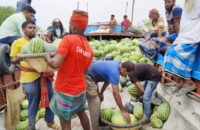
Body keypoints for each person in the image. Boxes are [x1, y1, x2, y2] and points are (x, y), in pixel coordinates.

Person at [44, 10, 93, 130]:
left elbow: (55, 64)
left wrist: (47, 58)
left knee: (65, 121)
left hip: (65, 90)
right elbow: (84, 72)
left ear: (73, 26)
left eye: (69, 24)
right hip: (80, 90)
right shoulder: (89, 48)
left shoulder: (68, 39)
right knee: (82, 113)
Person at [10, 20, 59, 130]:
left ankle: (50, 121)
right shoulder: (17, 43)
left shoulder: (41, 42)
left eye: (33, 27)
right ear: (23, 30)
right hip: (28, 78)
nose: (32, 29)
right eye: (29, 27)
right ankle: (31, 127)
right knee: (33, 104)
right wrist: (20, 57)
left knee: (51, 101)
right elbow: (12, 60)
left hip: (44, 74)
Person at [163, 0, 200, 96]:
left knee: (173, 54)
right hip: (184, 37)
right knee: (169, 52)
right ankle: (181, 81)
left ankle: (189, 82)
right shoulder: (187, 4)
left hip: (193, 36)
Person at [85, 61, 133, 130]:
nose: (126, 76)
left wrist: (101, 92)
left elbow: (108, 79)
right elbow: (116, 94)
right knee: (94, 103)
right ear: (124, 70)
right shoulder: (115, 72)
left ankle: (99, 121)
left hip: (92, 78)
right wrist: (123, 111)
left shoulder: (118, 65)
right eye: (127, 74)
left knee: (97, 100)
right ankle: (95, 127)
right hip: (88, 77)